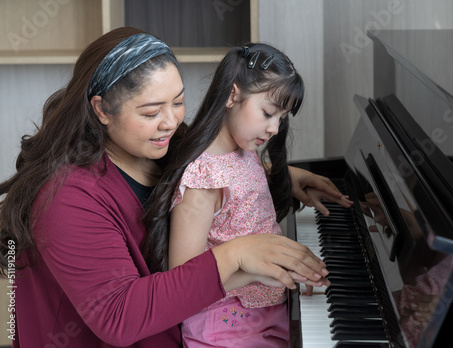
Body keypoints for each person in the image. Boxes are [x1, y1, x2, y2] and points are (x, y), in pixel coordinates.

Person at [0, 27, 349, 347]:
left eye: (179, 102)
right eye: (151, 112)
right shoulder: (66, 199)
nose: (171, 122)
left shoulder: (161, 146)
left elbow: (211, 168)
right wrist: (236, 254)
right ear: (102, 109)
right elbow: (118, 317)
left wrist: (283, 175)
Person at [142, 43, 351, 347]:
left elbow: (240, 187)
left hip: (263, 309)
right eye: (268, 113)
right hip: (225, 324)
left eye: (281, 118)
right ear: (232, 95)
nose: (274, 128)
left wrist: (290, 176)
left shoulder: (240, 149)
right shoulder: (203, 183)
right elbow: (183, 284)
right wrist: (265, 273)